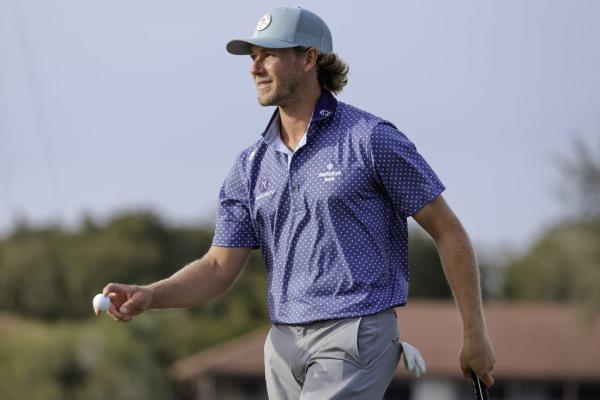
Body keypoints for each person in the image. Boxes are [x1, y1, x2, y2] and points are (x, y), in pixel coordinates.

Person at [101, 6, 495, 399]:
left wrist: (475, 334)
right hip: (283, 344)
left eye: (268, 55)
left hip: (354, 332)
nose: (255, 68)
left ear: (309, 58)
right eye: (253, 57)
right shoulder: (250, 166)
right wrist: (152, 294)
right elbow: (218, 267)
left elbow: (449, 231)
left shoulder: (371, 139)